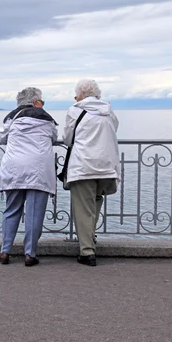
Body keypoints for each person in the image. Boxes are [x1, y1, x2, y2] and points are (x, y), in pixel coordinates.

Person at [0, 87, 58, 267]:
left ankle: (5, 251)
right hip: (39, 170)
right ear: (35, 102)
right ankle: (29, 254)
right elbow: (54, 137)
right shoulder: (47, 120)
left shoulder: (12, 118)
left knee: (11, 210)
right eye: (42, 101)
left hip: (14, 168)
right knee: (34, 214)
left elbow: (1, 137)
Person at [63, 79, 120, 267]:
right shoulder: (108, 111)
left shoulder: (75, 110)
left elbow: (68, 139)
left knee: (83, 208)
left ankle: (87, 251)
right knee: (96, 202)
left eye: (76, 94)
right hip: (106, 165)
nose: (75, 97)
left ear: (81, 95)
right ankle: (90, 239)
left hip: (84, 165)